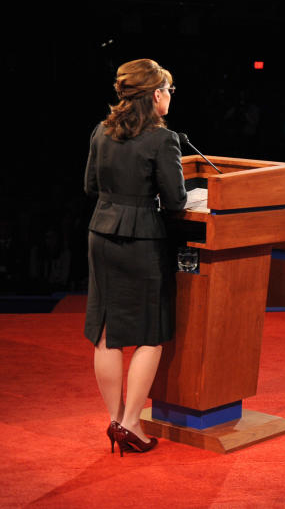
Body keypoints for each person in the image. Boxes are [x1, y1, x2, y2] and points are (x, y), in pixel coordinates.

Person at [84, 59, 187, 455]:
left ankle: (114, 420)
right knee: (149, 334)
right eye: (168, 90)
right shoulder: (163, 139)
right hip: (142, 237)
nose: (170, 97)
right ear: (155, 94)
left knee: (107, 331)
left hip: (101, 232)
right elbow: (176, 200)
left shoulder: (101, 131)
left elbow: (91, 185)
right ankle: (131, 424)